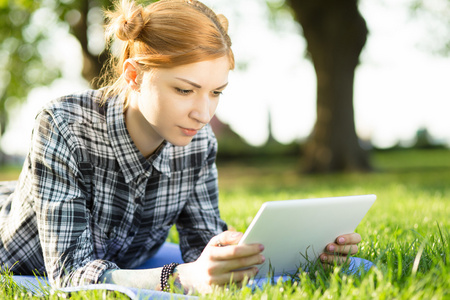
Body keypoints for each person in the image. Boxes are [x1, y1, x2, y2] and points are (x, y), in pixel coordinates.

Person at [0, 0, 364, 295]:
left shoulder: (197, 143)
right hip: (19, 258)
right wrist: (181, 278)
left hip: (126, 257)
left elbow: (202, 249)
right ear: (133, 76)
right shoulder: (63, 125)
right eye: (185, 90)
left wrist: (295, 254)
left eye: (216, 93)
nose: (203, 113)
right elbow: (70, 275)